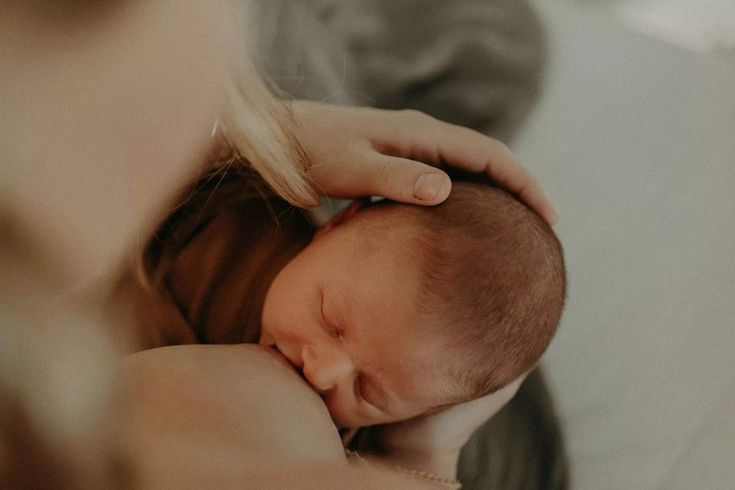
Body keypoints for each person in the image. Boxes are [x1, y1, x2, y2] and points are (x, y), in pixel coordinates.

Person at [0, 1, 558, 487]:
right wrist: (258, 141)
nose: (323, 371)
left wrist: (419, 447)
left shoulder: (367, 432)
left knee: (502, 55)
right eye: (331, 321)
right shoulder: (252, 219)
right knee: (492, 50)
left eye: (365, 387)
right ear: (336, 228)